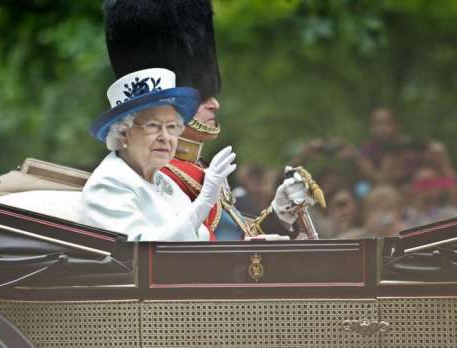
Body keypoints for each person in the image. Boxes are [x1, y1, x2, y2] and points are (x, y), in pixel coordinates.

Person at [103, 0, 324, 240]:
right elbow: (178, 250)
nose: (215, 104)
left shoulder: (199, 167)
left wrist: (280, 214)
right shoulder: (157, 173)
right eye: (200, 97)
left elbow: (237, 237)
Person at [79, 67, 236, 241]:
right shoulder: (109, 183)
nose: (165, 137)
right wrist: (203, 202)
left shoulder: (163, 181)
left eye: (172, 127)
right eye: (153, 126)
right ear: (123, 134)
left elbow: (201, 239)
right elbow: (143, 252)